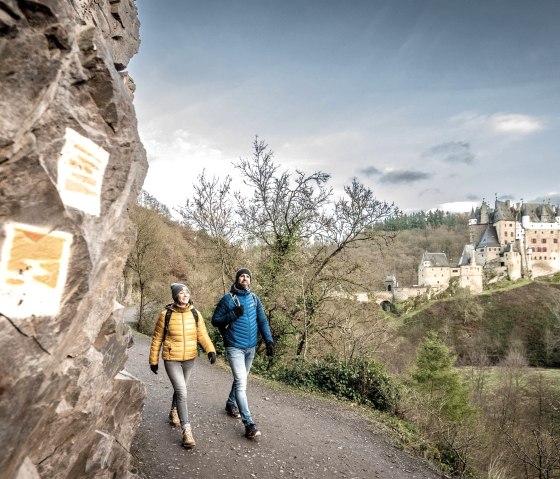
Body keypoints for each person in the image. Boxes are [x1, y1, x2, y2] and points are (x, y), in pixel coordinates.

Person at [149, 283, 216, 449]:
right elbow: (157, 338)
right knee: (182, 391)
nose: (185, 294)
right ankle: (187, 430)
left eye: (187, 291)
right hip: (171, 358)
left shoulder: (195, 313)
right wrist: (153, 360)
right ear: (175, 296)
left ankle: (173, 411)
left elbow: (203, 334)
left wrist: (210, 350)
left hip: (189, 359)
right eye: (181, 292)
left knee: (181, 389)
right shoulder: (166, 315)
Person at [211, 268, 274, 439]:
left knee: (241, 379)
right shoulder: (228, 299)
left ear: (250, 280)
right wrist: (232, 314)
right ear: (237, 279)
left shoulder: (255, 299)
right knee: (241, 383)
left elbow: (262, 320)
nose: (245, 278)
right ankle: (249, 424)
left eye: (247, 276)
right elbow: (215, 320)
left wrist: (269, 340)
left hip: (250, 348)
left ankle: (231, 403)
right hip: (235, 347)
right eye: (242, 276)